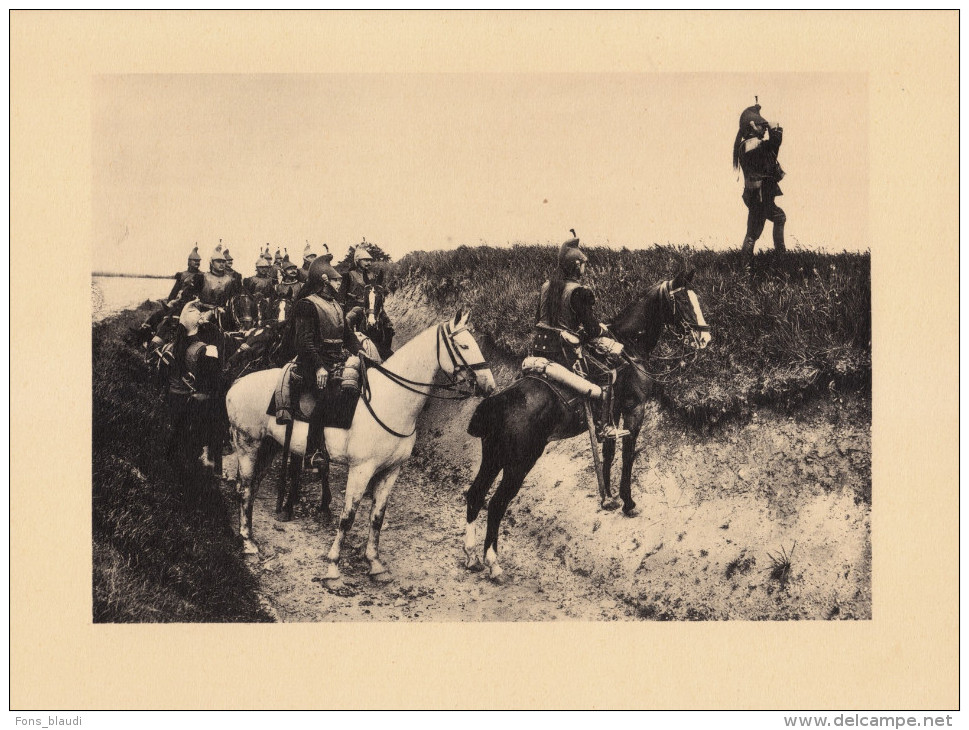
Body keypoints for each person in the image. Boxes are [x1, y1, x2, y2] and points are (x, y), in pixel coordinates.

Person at [533, 233, 628, 440]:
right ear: (576, 266)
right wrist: (601, 329)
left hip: (539, 348)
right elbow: (592, 330)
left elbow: (538, 320)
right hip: (563, 352)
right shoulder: (578, 292)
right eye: (584, 264)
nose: (585, 268)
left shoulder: (546, 287)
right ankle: (604, 427)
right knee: (606, 374)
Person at [293, 257, 364, 469]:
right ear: (324, 281)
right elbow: (303, 342)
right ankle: (312, 451)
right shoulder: (307, 305)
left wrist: (360, 353)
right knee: (326, 396)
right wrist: (319, 367)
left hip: (336, 359)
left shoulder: (336, 304)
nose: (339, 284)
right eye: (335, 281)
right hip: (312, 362)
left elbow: (348, 335)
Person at [164, 300, 223, 483]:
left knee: (176, 437)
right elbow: (214, 383)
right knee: (218, 421)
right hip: (197, 404)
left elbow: (161, 379)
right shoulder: (207, 349)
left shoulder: (169, 348)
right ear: (199, 324)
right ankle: (213, 466)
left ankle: (172, 473)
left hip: (173, 400)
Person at [733, 102, 786, 264]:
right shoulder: (751, 144)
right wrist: (773, 127)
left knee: (768, 223)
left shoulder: (749, 144)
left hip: (759, 195)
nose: (764, 129)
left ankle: (777, 259)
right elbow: (775, 142)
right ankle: (778, 259)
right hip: (759, 197)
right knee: (755, 231)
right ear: (751, 126)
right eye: (761, 126)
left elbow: (770, 150)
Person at [132, 245, 202, 345]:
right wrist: (170, 303)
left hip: (192, 305)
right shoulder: (182, 275)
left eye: (199, 261)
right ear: (189, 261)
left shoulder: (202, 276)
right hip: (179, 303)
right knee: (158, 315)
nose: (197, 263)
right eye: (194, 260)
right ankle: (144, 333)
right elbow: (174, 292)